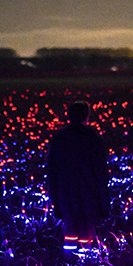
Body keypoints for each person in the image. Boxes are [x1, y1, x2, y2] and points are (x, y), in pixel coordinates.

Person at [46, 102, 110, 252]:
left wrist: (55, 200)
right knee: (87, 229)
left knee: (70, 229)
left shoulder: (60, 139)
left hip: (66, 195)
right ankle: (85, 263)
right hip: (89, 195)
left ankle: (69, 262)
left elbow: (52, 173)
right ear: (87, 116)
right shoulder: (92, 138)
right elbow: (100, 172)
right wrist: (104, 202)